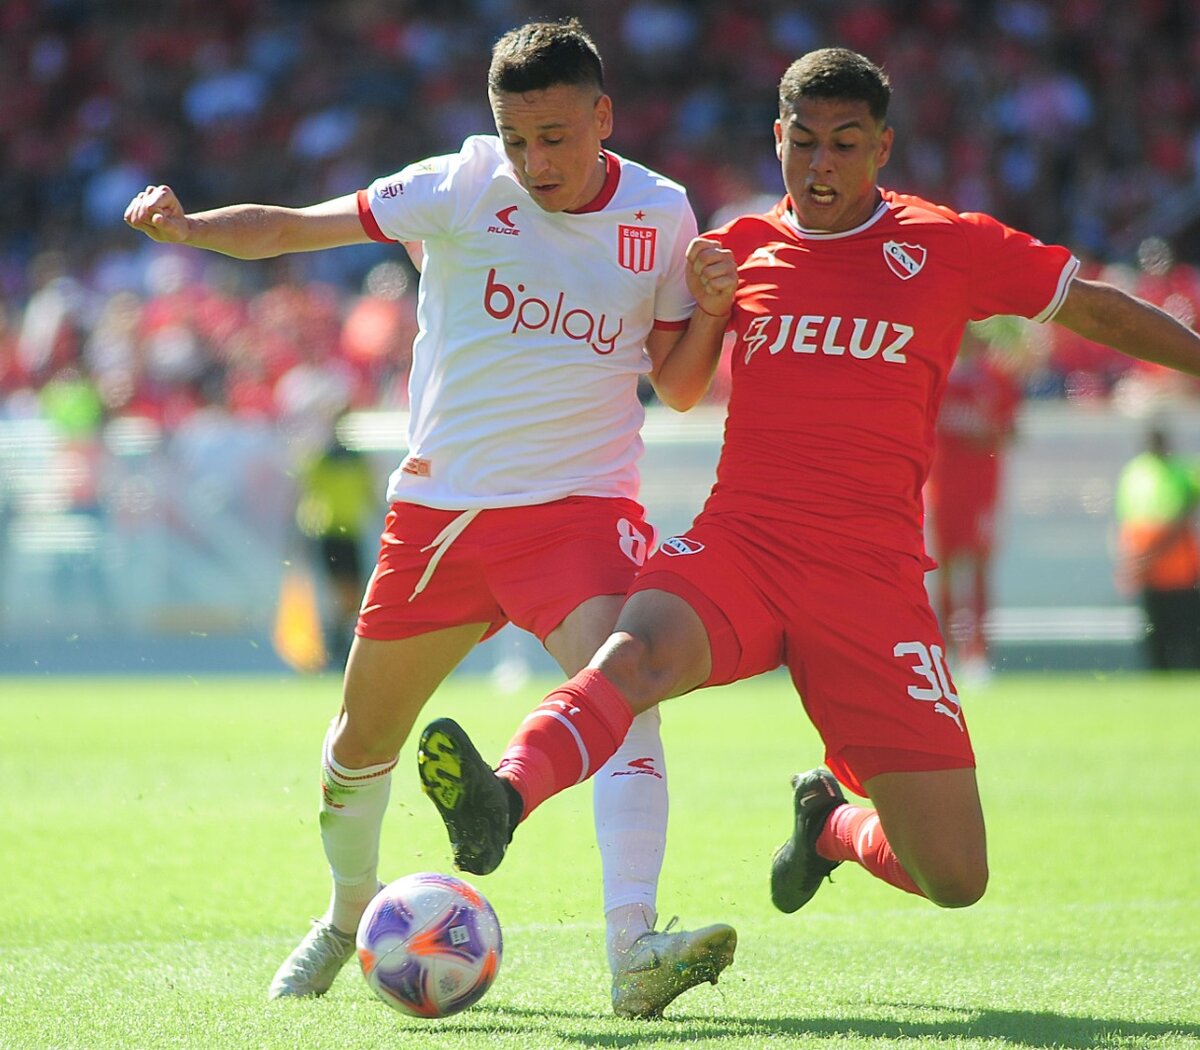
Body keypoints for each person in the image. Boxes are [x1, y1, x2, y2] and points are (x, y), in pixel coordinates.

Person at [415, 47, 1200, 928]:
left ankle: (831, 826)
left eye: (845, 144)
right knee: (633, 658)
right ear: (777, 139)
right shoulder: (738, 249)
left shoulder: (948, 245)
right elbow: (674, 383)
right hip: (742, 545)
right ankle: (503, 799)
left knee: (954, 874)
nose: (821, 166)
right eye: (804, 143)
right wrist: (706, 304)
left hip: (870, 579)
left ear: (882, 148)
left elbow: (1089, 303)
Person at [124, 18, 736, 1018]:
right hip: (440, 517)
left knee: (625, 690)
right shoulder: (460, 184)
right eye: (517, 136)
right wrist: (190, 231)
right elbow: (289, 226)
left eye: (556, 135)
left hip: (578, 510)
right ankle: (345, 913)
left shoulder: (663, 216)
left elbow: (674, 386)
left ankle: (635, 948)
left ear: (603, 117)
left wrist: (708, 309)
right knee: (357, 745)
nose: (536, 160)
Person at [925, 326, 1023, 684]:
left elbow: (1012, 430)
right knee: (945, 569)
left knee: (979, 569)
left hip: (982, 490)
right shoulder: (935, 375)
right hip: (941, 488)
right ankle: (946, 652)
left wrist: (989, 433)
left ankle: (978, 655)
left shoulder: (995, 377)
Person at [294, 416, 379, 664]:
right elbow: (307, 494)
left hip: (348, 533)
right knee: (341, 595)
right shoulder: (324, 460)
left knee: (351, 596)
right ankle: (335, 648)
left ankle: (338, 647)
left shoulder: (355, 461)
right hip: (330, 533)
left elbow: (369, 495)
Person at [1113, 427, 1200, 669]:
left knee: (1186, 624)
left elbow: (1183, 515)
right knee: (1155, 625)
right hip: (1149, 567)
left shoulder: (1182, 470)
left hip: (1179, 567)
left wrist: (1145, 557)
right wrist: (1129, 562)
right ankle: (1159, 672)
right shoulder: (1135, 473)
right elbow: (1127, 521)